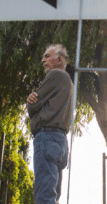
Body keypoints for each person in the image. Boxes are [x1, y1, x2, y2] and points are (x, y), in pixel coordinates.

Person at [27, 44, 74, 204]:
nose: (43, 60)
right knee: (53, 195)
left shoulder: (56, 75)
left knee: (44, 196)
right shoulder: (68, 83)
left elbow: (33, 105)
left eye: (47, 56)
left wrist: (30, 102)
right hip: (60, 142)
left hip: (47, 138)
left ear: (59, 59)